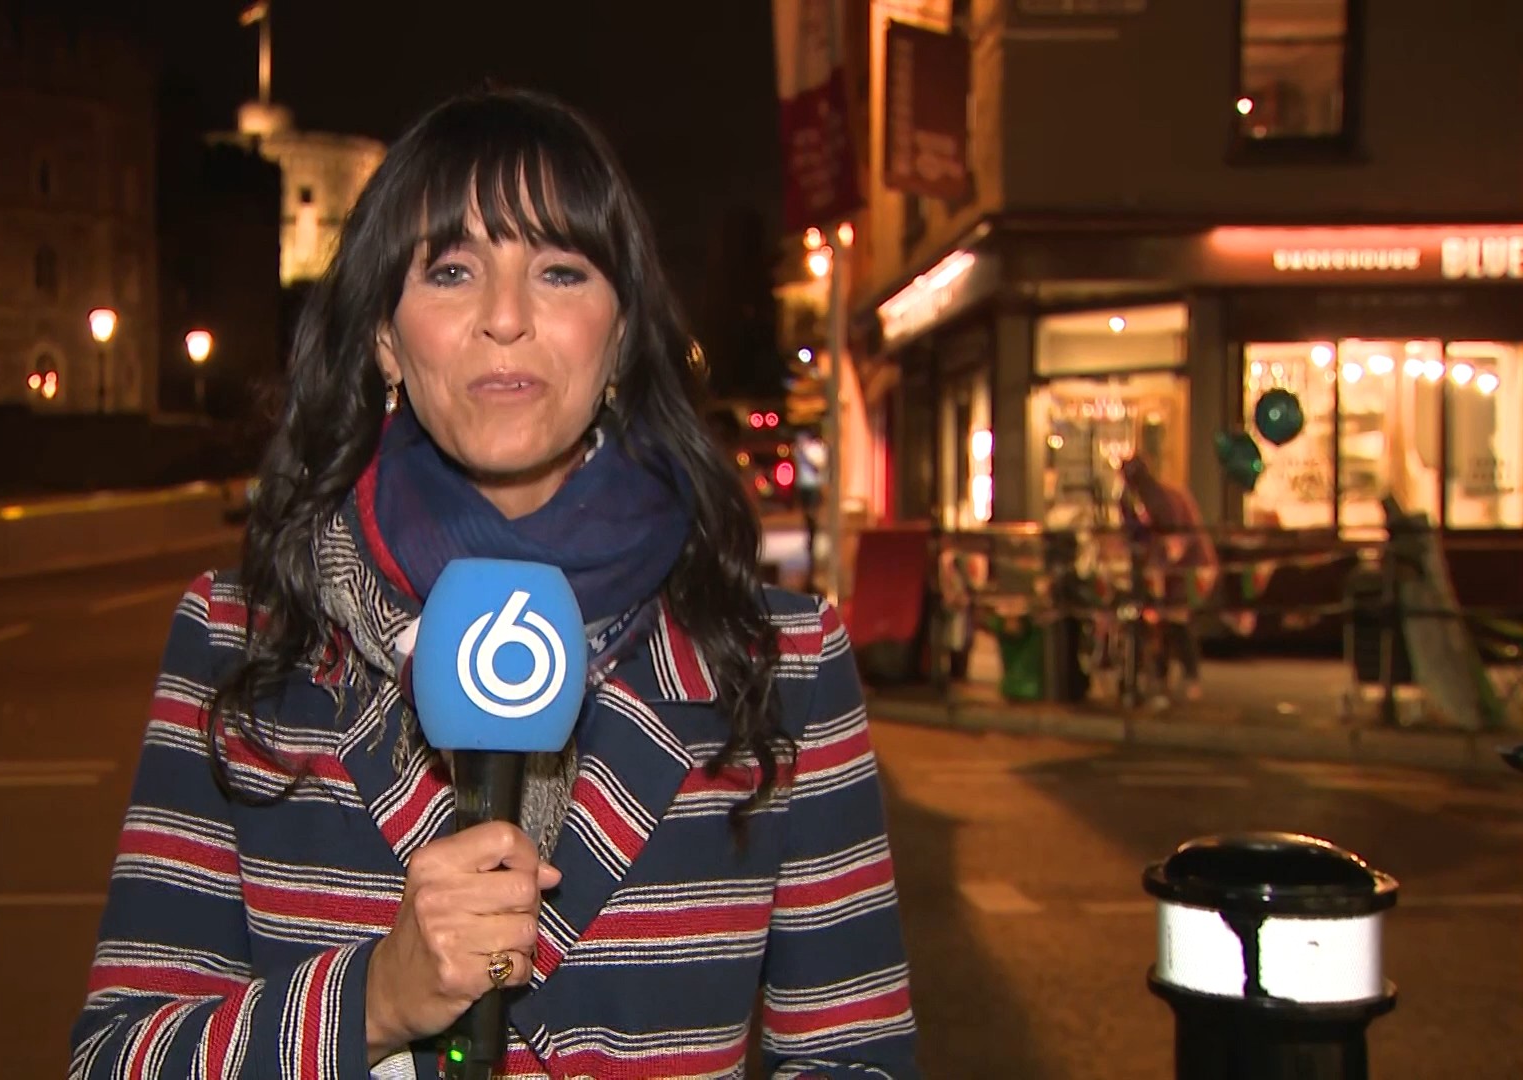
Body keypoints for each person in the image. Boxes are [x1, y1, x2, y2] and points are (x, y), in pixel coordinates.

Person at [69, 88, 920, 1079]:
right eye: (452, 271)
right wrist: (374, 1001)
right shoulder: (237, 642)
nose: (506, 319)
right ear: (385, 338)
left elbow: (857, 1060)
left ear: (619, 335)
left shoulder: (786, 666)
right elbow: (118, 1058)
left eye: (560, 271)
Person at [1119, 455, 1218, 703]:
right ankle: (1168, 676)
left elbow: (1176, 544)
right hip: (1183, 566)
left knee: (1175, 619)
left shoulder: (1159, 499)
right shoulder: (1159, 495)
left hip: (1188, 568)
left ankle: (1187, 677)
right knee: (1165, 620)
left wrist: (1157, 567)